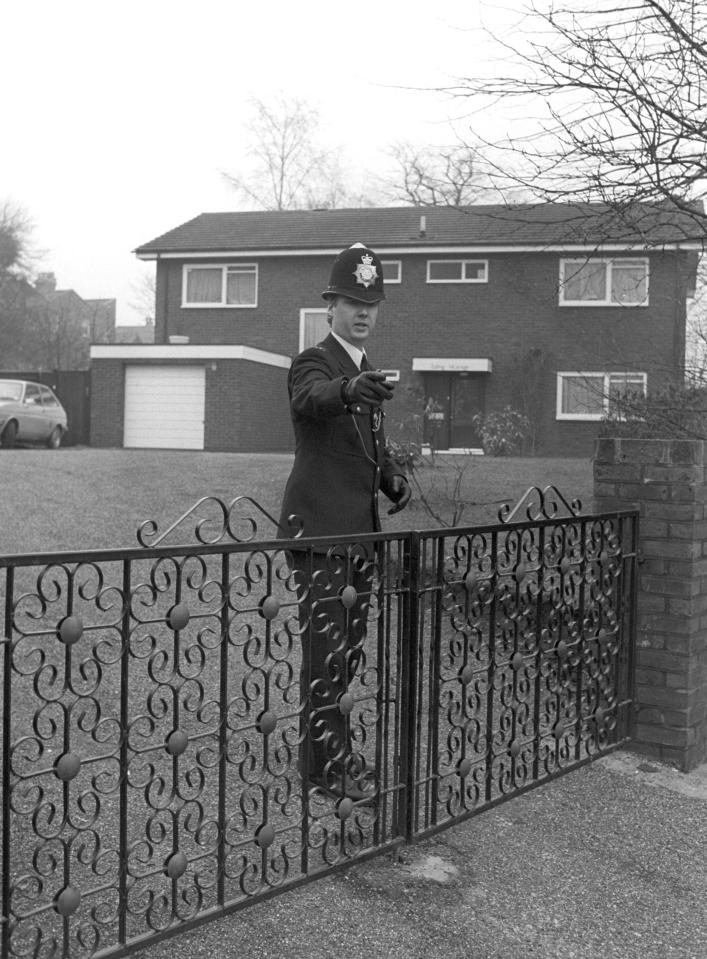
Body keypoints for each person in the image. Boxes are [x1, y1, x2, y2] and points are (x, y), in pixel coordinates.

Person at [278, 242, 411, 803]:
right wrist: (349, 390)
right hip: (320, 535)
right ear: (330, 305)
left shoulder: (364, 370)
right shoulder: (315, 361)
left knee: (345, 654)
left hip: (355, 536)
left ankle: (326, 751)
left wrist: (390, 476)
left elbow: (364, 444)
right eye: (352, 301)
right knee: (327, 656)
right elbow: (313, 400)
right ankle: (328, 769)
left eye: (372, 303)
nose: (363, 312)